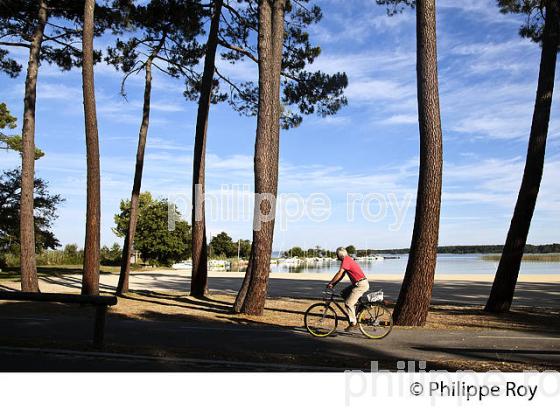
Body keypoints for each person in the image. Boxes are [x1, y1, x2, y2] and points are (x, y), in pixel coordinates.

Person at [327, 246, 369, 331]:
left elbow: (340, 273)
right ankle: (358, 309)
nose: (336, 256)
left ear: (340, 255)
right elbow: (341, 275)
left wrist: (331, 283)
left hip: (360, 285)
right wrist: (334, 284)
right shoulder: (347, 260)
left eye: (337, 255)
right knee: (344, 293)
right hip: (358, 283)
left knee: (348, 303)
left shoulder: (346, 260)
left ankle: (353, 323)